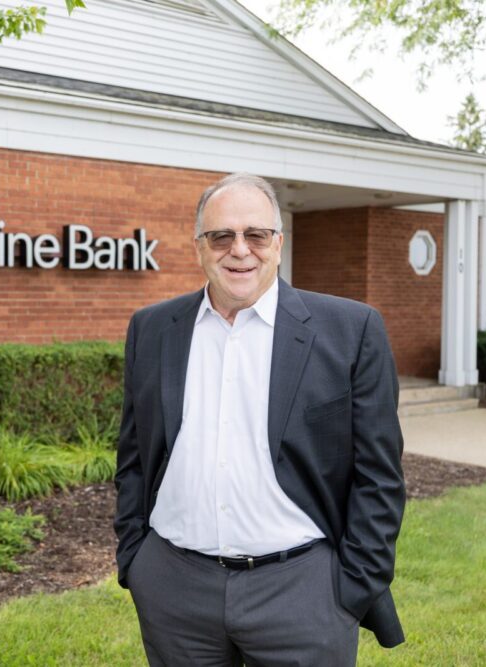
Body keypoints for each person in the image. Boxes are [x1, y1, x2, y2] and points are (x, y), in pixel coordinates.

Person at [114, 172, 405, 666]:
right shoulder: (153, 328)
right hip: (174, 590)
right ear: (199, 247)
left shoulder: (350, 330)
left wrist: (352, 584)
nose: (239, 250)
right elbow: (135, 456)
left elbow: (379, 475)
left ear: (278, 243)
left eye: (256, 234)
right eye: (221, 236)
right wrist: (136, 561)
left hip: (302, 591)